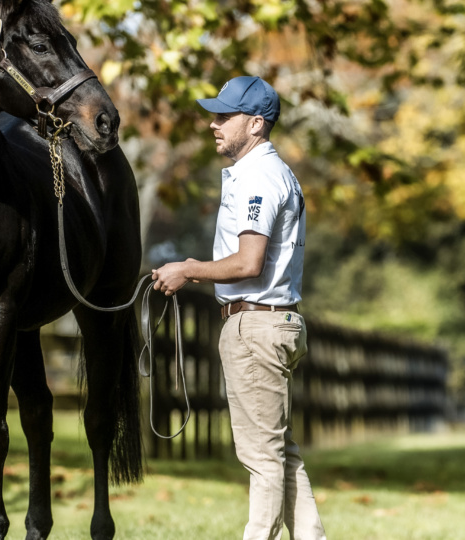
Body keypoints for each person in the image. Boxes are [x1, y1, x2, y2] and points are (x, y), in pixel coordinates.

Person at [151, 76, 327, 540]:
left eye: (223, 117)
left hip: (255, 326)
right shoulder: (266, 173)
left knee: (261, 458)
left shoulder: (258, 179)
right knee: (279, 452)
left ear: (255, 123)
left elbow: (249, 262)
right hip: (271, 323)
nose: (213, 125)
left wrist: (188, 268)